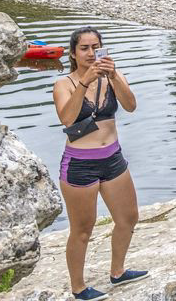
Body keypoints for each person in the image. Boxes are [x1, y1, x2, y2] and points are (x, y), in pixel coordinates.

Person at [53, 26, 146, 299]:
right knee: (82, 230)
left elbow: (131, 106)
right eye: (84, 48)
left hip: (113, 159)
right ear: (73, 53)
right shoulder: (64, 84)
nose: (91, 53)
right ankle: (78, 287)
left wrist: (114, 75)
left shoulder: (112, 77)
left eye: (96, 47)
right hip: (80, 164)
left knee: (128, 219)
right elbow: (67, 119)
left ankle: (117, 272)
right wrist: (84, 83)